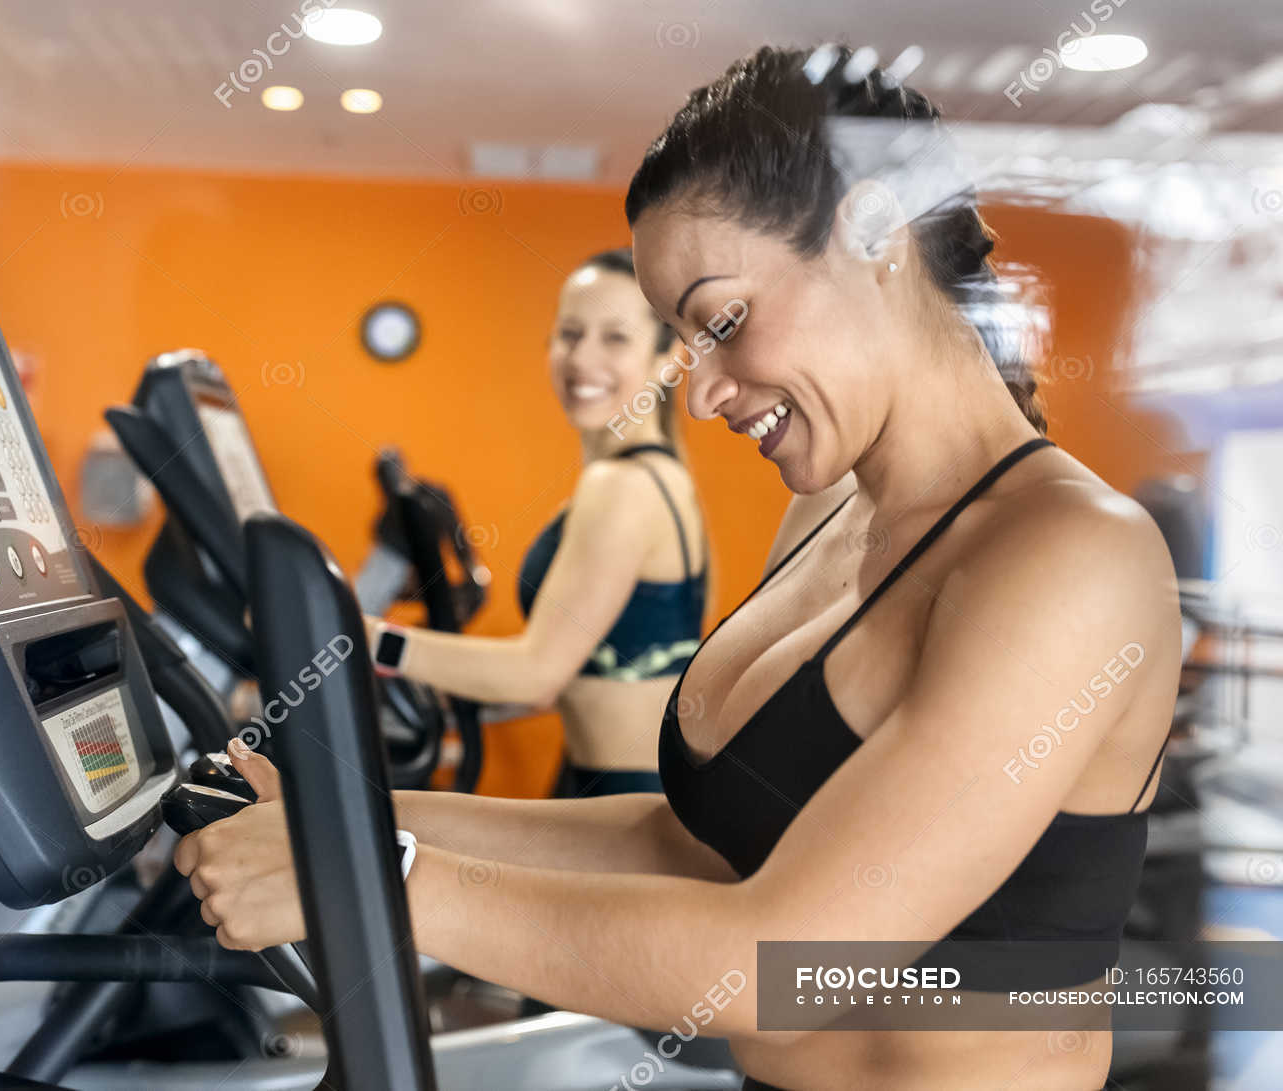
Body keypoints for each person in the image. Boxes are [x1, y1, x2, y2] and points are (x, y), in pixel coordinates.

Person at [179, 44, 1179, 1089]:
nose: (699, 395)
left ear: (878, 231)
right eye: (683, 340)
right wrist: (345, 814)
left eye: (724, 320)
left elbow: (779, 961)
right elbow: (690, 844)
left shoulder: (1074, 556)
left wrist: (363, 873)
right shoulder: (828, 512)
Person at [365, 247, 710, 797]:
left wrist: (369, 641)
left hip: (625, 800)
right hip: (598, 780)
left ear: (668, 358)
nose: (582, 358)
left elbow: (538, 673)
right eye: (570, 333)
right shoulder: (653, 476)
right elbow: (560, 676)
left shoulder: (622, 487)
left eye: (615, 338)